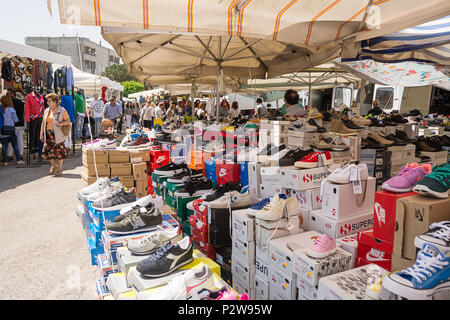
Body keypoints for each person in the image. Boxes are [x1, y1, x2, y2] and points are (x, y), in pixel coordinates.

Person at [40, 93, 71, 176]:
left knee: (59, 153)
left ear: (55, 102)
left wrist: (60, 124)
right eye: (47, 101)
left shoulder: (62, 110)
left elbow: (68, 121)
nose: (48, 103)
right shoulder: (47, 110)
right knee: (45, 152)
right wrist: (41, 133)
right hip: (48, 134)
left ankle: (60, 170)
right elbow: (43, 122)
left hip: (58, 134)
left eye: (49, 101)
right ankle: (54, 165)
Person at [0, 95, 23, 166]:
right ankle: (18, 160)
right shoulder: (12, 110)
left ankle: (5, 161)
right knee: (15, 145)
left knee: (4, 146)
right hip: (11, 129)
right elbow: (16, 120)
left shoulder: (1, 110)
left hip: (3, 129)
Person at [6, 89, 25, 159]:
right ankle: (21, 154)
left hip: (14, 123)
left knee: (11, 141)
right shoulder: (20, 102)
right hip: (20, 123)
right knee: (20, 139)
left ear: (12, 94)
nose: (7, 95)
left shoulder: (10, 103)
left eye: (8, 94)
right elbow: (23, 113)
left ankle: (9, 155)